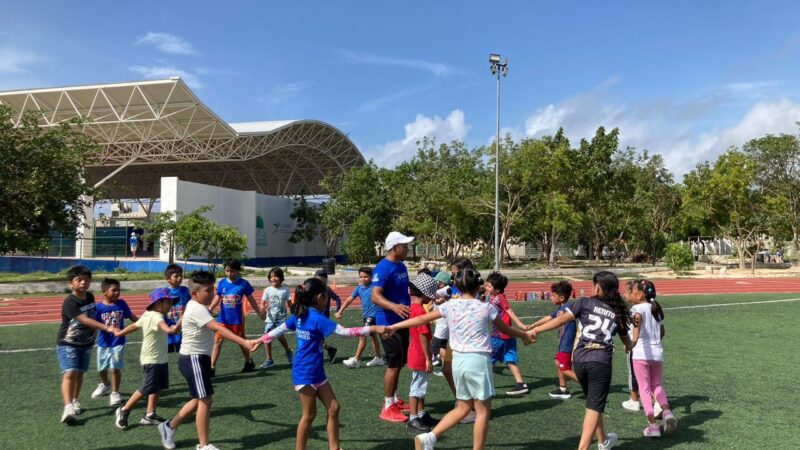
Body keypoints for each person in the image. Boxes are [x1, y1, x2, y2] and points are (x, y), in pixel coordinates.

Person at [387, 268, 532, 450]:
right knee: (482, 412)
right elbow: (506, 330)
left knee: (463, 408)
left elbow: (421, 320)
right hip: (478, 361)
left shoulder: (449, 306)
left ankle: (429, 438)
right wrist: (524, 335)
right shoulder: (486, 307)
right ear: (479, 286)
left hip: (458, 362)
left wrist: (394, 326)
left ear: (456, 286)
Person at [247, 277, 385, 450]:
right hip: (305, 373)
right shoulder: (314, 317)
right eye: (326, 296)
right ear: (320, 297)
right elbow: (344, 332)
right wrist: (374, 328)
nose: (327, 299)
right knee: (309, 415)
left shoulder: (302, 314)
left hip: (316, 372)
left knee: (333, 407)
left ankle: (334, 448)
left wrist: (261, 339)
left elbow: (279, 329)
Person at [529, 271, 634, 450]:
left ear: (598, 287)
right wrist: (631, 344)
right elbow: (627, 342)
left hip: (579, 360)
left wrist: (536, 331)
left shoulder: (584, 302)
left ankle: (603, 442)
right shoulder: (618, 313)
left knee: (593, 403)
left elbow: (561, 319)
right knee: (594, 406)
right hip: (600, 361)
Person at [158, 270, 254, 450]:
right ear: (194, 293)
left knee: (197, 400)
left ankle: (169, 426)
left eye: (213, 290)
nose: (212, 294)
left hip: (197, 359)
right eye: (207, 291)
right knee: (205, 400)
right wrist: (244, 342)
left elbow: (184, 319)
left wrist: (178, 327)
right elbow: (218, 328)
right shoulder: (197, 308)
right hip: (192, 358)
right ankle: (203, 445)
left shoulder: (194, 306)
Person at [56, 265, 116, 424]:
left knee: (80, 373)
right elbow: (85, 319)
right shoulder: (70, 302)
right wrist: (106, 327)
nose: (83, 283)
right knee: (69, 372)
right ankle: (68, 407)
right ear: (71, 283)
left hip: (86, 342)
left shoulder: (90, 296)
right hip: (68, 342)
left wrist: (97, 330)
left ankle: (75, 400)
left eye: (86, 280)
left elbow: (93, 315)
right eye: (79, 280)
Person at [113, 288, 180, 429]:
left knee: (157, 387)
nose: (171, 305)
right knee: (146, 387)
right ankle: (124, 410)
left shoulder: (147, 314)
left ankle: (150, 415)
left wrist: (121, 333)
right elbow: (167, 329)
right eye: (169, 302)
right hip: (152, 359)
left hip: (158, 358)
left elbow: (134, 325)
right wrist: (174, 327)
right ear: (159, 303)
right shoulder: (156, 316)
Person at [371, 231, 414, 423]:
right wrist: (394, 307)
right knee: (393, 364)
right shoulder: (383, 268)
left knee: (400, 363)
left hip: (402, 321)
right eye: (404, 245)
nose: (407, 248)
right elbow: (375, 296)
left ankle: (394, 399)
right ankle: (387, 406)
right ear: (395, 247)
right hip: (388, 324)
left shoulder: (401, 266)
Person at [629, 279, 677, 437]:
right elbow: (662, 332)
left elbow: (635, 334)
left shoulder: (636, 309)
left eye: (633, 291)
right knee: (657, 385)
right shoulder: (657, 308)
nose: (631, 294)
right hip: (657, 354)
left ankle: (653, 426)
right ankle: (667, 413)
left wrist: (629, 345)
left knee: (644, 388)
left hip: (641, 354)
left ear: (640, 294)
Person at [209, 260, 264, 374]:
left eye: (232, 271)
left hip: (237, 320)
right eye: (227, 271)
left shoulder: (243, 284)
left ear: (238, 271)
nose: (229, 273)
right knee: (217, 342)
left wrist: (259, 312)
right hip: (222, 319)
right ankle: (212, 368)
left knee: (241, 342)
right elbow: (218, 297)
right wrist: (209, 309)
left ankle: (249, 361)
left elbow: (251, 299)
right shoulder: (222, 282)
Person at [526, 280, 579, 399]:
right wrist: (533, 325)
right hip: (563, 343)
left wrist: (535, 329)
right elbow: (548, 318)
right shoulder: (561, 308)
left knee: (564, 369)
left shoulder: (567, 309)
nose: (551, 297)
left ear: (561, 297)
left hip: (567, 344)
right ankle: (562, 388)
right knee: (558, 362)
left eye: (553, 295)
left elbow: (552, 322)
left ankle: (588, 385)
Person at [91, 278, 137, 407]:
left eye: (119, 290)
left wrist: (142, 323)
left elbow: (132, 317)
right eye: (114, 290)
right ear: (104, 291)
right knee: (102, 369)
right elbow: (94, 324)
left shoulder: (122, 303)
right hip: (103, 343)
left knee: (115, 368)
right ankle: (105, 384)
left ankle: (115, 392)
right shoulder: (98, 307)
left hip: (118, 342)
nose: (117, 292)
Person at [405, 273, 439, 432]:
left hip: (416, 351)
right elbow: (423, 335)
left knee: (421, 385)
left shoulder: (415, 308)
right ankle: (413, 417)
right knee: (417, 386)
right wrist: (428, 358)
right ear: (424, 293)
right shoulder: (420, 312)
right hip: (420, 354)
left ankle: (420, 412)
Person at [485, 272, 530, 396]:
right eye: (486, 285)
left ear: (498, 289)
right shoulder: (492, 297)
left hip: (499, 336)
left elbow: (508, 310)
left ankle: (486, 385)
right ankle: (521, 384)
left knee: (490, 360)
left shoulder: (499, 297)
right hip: (508, 335)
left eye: (489, 286)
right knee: (510, 360)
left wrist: (520, 324)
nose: (486, 288)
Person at [337, 266, 385, 368]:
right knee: (373, 337)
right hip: (366, 315)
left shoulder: (375, 287)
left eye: (366, 277)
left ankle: (356, 359)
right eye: (361, 277)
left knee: (362, 335)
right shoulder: (359, 288)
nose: (363, 279)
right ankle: (379, 358)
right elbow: (350, 299)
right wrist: (340, 310)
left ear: (371, 277)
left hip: (372, 315)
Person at [260, 267, 294, 369]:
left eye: (276, 276)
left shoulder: (285, 289)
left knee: (279, 336)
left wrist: (294, 310)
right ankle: (269, 359)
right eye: (271, 277)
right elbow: (263, 302)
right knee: (266, 337)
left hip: (281, 318)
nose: (273, 278)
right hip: (270, 318)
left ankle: (288, 351)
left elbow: (289, 302)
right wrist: (262, 308)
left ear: (281, 278)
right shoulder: (268, 290)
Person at [164, 264, 191, 353]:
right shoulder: (164, 292)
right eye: (176, 276)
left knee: (183, 353)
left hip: (183, 328)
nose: (179, 278)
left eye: (180, 276)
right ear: (168, 278)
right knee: (166, 355)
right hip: (169, 329)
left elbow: (190, 305)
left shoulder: (185, 290)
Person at [314, 270, 341, 363]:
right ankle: (330, 350)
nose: (321, 283)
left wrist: (338, 311)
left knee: (317, 338)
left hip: (323, 319)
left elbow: (337, 298)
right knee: (315, 338)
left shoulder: (327, 290)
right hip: (313, 318)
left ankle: (321, 355)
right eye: (318, 280)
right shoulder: (312, 289)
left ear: (326, 280)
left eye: (323, 280)